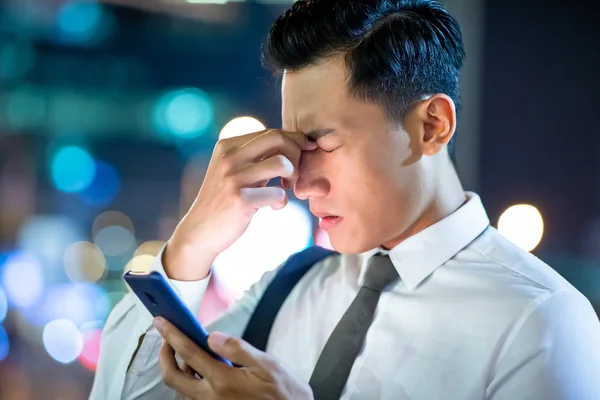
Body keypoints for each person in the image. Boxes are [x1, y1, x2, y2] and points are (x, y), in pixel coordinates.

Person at [90, 0, 600, 399]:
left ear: (432, 125)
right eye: (294, 147)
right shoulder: (290, 285)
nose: (301, 183)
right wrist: (191, 244)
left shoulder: (542, 320)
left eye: (323, 144)